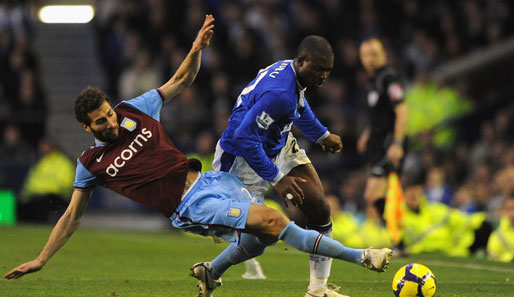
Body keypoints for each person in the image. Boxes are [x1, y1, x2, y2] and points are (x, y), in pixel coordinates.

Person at [3, 16, 392, 297]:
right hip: (189, 204)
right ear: (87, 128)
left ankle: (210, 272)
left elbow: (180, 81)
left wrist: (195, 49)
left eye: (108, 113)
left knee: (261, 240)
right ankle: (362, 259)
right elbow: (72, 216)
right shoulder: (90, 164)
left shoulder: (133, 110)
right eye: (101, 122)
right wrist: (41, 259)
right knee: (274, 220)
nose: (110, 122)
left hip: (210, 180)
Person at [213, 35, 347, 296]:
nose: (323, 76)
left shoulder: (292, 74)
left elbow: (299, 105)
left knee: (319, 206)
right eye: (318, 69)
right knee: (262, 237)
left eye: (328, 71)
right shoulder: (279, 94)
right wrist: (278, 178)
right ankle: (212, 270)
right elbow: (243, 135)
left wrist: (321, 135)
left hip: (278, 143)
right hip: (241, 158)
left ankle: (318, 290)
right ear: (301, 61)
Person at [356, 38, 408, 227]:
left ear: (384, 55)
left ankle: (400, 235)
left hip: (389, 144)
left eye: (374, 54)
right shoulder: (372, 82)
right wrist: (367, 133)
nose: (370, 59)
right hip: (378, 144)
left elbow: (402, 111)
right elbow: (380, 115)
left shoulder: (389, 79)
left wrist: (398, 143)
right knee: (381, 195)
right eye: (365, 55)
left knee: (375, 194)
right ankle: (398, 236)